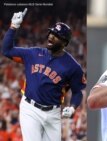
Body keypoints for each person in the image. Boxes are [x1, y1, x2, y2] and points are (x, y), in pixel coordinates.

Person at [2, 8, 86, 141]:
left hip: (53, 113)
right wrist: (13, 27)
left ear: (65, 43)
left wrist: (72, 107)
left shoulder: (73, 66)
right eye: (51, 33)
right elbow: (6, 50)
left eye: (56, 35)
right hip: (30, 109)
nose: (51, 36)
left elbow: (77, 92)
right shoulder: (33, 54)